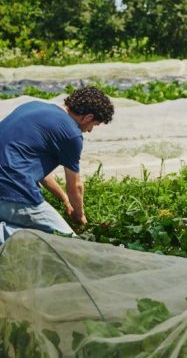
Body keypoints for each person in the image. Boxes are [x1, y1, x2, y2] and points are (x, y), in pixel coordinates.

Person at [0, 86, 115, 243]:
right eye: (94, 125)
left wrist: (64, 199)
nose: (90, 131)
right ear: (88, 117)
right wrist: (80, 217)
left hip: (7, 186)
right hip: (12, 190)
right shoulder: (71, 134)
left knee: (30, 229)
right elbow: (75, 187)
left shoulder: (32, 105)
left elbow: (38, 171)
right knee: (68, 243)